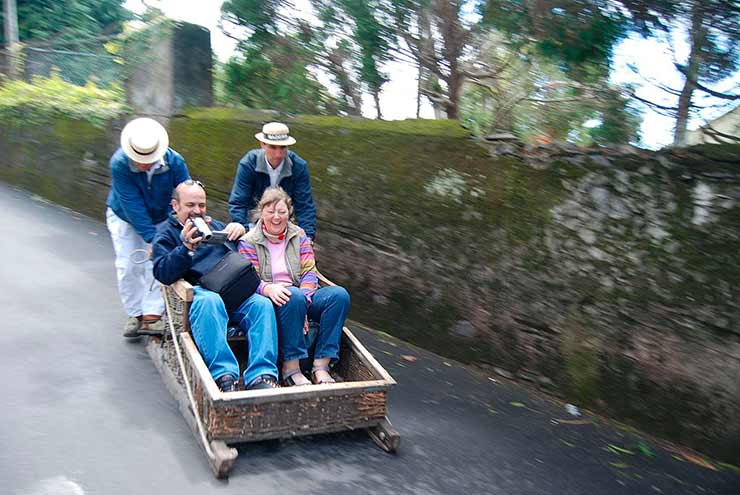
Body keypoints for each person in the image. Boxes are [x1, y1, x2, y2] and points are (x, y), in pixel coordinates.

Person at [152, 180, 279, 391]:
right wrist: (185, 248)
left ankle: (261, 375)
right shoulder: (166, 233)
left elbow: (242, 253)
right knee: (210, 300)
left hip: (232, 287)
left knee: (261, 305)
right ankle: (224, 375)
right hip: (199, 292)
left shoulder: (216, 225)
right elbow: (162, 273)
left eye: (201, 205)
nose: (197, 211)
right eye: (190, 205)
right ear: (175, 206)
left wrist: (240, 231)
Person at [238, 187, 349, 386]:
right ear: (261, 212)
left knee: (339, 296)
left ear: (289, 212)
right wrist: (269, 290)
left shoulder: (299, 235)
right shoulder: (249, 241)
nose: (276, 217)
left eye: (282, 212)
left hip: (300, 297)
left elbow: (309, 272)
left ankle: (321, 366)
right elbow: (250, 279)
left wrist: (305, 304)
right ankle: (291, 368)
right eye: (270, 212)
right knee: (294, 296)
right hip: (271, 298)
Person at [106, 117, 190, 338]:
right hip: (125, 216)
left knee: (157, 262)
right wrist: (152, 238)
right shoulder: (119, 164)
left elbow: (185, 193)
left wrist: (188, 220)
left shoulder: (175, 162)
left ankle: (152, 314)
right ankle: (135, 313)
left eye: (148, 159)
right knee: (128, 265)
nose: (143, 164)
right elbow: (132, 205)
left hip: (162, 214)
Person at [228, 122, 317, 241]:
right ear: (263, 144)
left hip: (284, 224)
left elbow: (305, 206)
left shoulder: (298, 166)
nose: (278, 154)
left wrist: (308, 237)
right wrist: (242, 227)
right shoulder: (248, 163)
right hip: (254, 223)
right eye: (273, 147)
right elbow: (239, 201)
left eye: (283, 147)